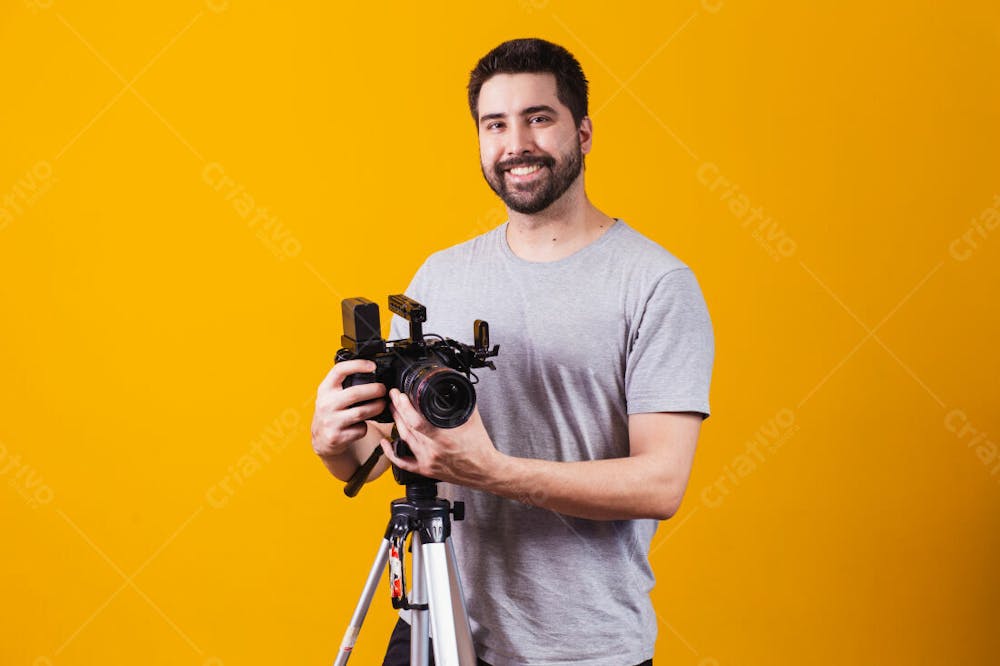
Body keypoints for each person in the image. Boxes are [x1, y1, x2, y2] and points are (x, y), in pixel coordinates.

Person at [311, 38, 715, 666]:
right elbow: (390, 457)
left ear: (582, 133)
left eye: (538, 118)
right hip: (442, 625)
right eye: (495, 124)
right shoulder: (438, 277)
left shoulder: (655, 284)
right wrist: (337, 444)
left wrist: (493, 471)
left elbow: (661, 483)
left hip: (581, 647)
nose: (515, 143)